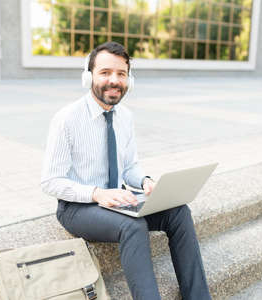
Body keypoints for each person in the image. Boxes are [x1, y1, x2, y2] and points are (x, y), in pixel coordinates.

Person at [41, 41, 211, 300]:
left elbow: (129, 166)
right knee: (133, 227)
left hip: (118, 201)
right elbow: (50, 181)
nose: (114, 81)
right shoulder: (67, 119)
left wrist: (144, 181)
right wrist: (97, 193)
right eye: (105, 72)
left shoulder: (125, 117)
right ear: (89, 77)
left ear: (129, 80)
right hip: (77, 207)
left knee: (179, 212)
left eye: (121, 74)